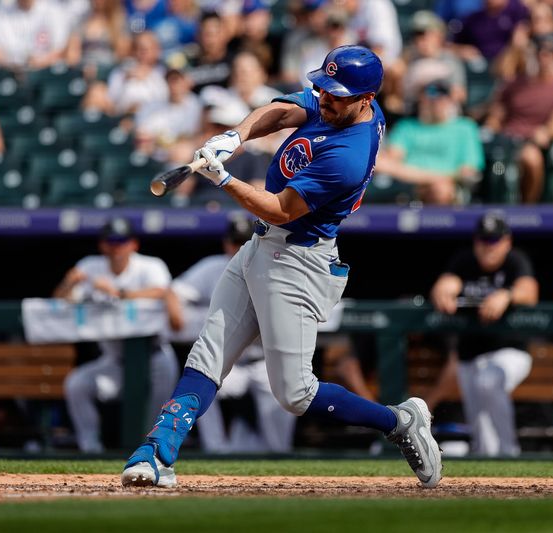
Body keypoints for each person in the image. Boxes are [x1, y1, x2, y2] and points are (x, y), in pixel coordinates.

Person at [121, 45, 443, 489]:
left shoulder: (348, 155)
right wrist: (235, 137)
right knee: (208, 352)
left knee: (295, 394)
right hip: (261, 247)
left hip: (299, 260)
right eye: (325, 88)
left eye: (337, 94)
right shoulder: (339, 105)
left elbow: (279, 209)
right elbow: (282, 109)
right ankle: (157, 451)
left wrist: (226, 180)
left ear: (366, 100)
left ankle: (397, 420)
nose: (325, 98)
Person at [169, 215, 297, 454]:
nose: (238, 248)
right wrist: (173, 302)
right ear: (225, 243)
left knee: (286, 399)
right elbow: (175, 290)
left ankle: (280, 455)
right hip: (233, 366)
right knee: (204, 386)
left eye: (244, 240)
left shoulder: (277, 266)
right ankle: (216, 450)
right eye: (234, 241)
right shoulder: (213, 267)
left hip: (266, 364)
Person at [54, 217, 180, 453]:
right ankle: (90, 448)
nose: (116, 246)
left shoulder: (150, 266)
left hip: (154, 358)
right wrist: (68, 284)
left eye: (121, 240)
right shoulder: (91, 266)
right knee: (77, 384)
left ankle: (153, 456)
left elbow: (161, 291)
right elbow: (61, 302)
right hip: (114, 362)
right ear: (102, 245)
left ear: (133, 244)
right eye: (111, 241)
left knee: (155, 422)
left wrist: (119, 293)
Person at [429, 212, 539, 457]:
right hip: (470, 355)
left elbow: (530, 291)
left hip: (510, 351)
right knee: (480, 430)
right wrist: (443, 290)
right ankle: (489, 471)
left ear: (506, 241)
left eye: (494, 240)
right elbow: (447, 282)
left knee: (489, 381)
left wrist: (507, 295)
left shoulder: (515, 260)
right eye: (483, 240)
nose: (488, 246)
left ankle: (510, 452)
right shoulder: (464, 260)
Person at [483, 32, 553, 203]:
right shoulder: (514, 83)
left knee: (531, 158)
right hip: (506, 140)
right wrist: (489, 130)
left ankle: (527, 210)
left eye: (549, 51)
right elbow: (496, 115)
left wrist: (546, 133)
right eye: (539, 50)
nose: (543, 56)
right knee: (490, 160)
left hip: (533, 143)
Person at [374, 80, 484, 205]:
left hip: (447, 188)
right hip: (407, 185)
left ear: (450, 101)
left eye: (441, 98)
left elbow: (468, 171)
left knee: (440, 190)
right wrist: (432, 178)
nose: (435, 103)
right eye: (429, 98)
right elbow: (386, 163)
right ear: (421, 100)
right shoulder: (406, 127)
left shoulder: (465, 128)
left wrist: (435, 181)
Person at [0, 0, 71, 71]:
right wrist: (14, 66)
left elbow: (60, 49)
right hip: (9, 72)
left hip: (46, 72)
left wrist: (38, 63)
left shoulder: (53, 10)